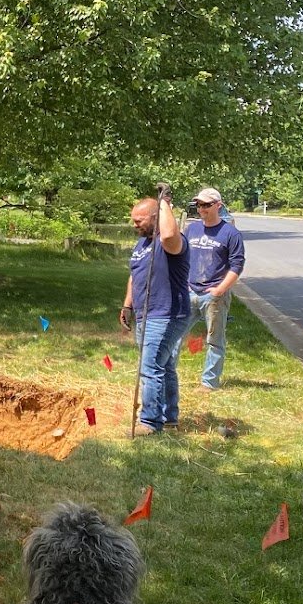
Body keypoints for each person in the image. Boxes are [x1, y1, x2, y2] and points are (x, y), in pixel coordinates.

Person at [119, 185, 190, 436]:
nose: (134, 225)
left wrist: (164, 204)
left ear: (155, 217)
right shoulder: (141, 244)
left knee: (150, 368)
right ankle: (169, 418)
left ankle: (150, 422)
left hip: (167, 314)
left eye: (139, 220)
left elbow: (169, 235)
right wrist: (127, 304)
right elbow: (134, 275)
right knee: (165, 366)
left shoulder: (172, 242)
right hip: (145, 314)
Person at [180, 186, 244, 391]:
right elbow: (182, 257)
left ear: (218, 205)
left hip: (214, 296)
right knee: (174, 335)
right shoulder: (192, 229)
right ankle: (164, 376)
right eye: (198, 205)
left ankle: (209, 383)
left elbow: (237, 265)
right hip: (189, 291)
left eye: (206, 205)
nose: (201, 209)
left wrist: (220, 289)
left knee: (215, 340)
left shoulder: (230, 233)